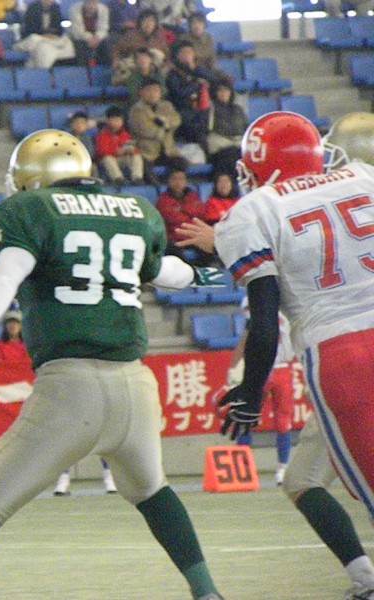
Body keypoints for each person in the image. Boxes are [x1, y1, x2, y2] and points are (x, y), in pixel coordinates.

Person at [0, 129, 225, 600]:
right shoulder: (134, 210)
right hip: (135, 387)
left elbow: (7, 274)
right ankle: (207, 592)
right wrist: (207, 275)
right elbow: (166, 272)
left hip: (70, 386)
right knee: (152, 491)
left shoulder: (32, 210)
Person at [213, 111, 374, 599]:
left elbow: (264, 320)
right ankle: (364, 578)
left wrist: (249, 390)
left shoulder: (253, 211)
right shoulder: (364, 176)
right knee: (304, 478)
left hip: (344, 353)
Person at [225, 296, 296, 485]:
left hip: (262, 369)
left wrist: (232, 368)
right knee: (282, 420)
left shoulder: (256, 308)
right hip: (281, 369)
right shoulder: (286, 309)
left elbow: (244, 342)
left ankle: (244, 468)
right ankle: (282, 468)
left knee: (247, 416)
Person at [128, 77, 187, 181]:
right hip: (146, 151)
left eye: (155, 90)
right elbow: (145, 129)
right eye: (149, 90)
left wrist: (164, 122)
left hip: (167, 150)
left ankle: (170, 183)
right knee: (145, 170)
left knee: (182, 163)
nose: (152, 94)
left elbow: (176, 120)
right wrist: (164, 129)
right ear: (142, 92)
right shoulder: (136, 109)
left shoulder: (166, 105)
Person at [156, 168, 213, 264]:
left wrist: (182, 210)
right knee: (176, 252)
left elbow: (201, 213)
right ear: (168, 181)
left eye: (181, 179)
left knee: (209, 246)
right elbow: (173, 219)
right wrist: (190, 214)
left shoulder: (193, 195)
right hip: (174, 237)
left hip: (194, 234)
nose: (178, 182)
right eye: (174, 179)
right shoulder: (163, 199)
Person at [13, 0, 75, 69]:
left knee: (67, 41)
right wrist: (44, 35)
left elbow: (58, 29)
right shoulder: (32, 8)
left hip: (52, 38)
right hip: (35, 37)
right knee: (36, 41)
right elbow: (29, 29)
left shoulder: (55, 8)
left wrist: (52, 34)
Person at [94, 105, 144, 186]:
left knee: (137, 157)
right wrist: (115, 152)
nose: (117, 122)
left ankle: (137, 178)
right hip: (107, 161)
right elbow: (100, 152)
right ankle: (118, 179)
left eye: (119, 120)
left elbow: (132, 147)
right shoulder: (102, 134)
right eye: (114, 120)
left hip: (122, 158)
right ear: (108, 120)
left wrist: (131, 150)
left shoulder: (125, 134)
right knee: (108, 159)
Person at [206, 79, 247, 176]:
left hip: (238, 144)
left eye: (226, 90)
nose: (223, 93)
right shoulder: (210, 109)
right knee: (231, 159)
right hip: (220, 147)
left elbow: (245, 128)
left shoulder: (238, 109)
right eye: (220, 90)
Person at [68, 0, 110, 66]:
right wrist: (89, 38)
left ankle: (105, 67)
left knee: (106, 43)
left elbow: (103, 28)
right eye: (89, 2)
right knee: (79, 45)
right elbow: (77, 30)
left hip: (96, 37)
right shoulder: (74, 9)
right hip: (78, 37)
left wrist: (97, 37)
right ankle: (81, 68)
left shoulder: (104, 9)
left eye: (94, 3)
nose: (91, 6)